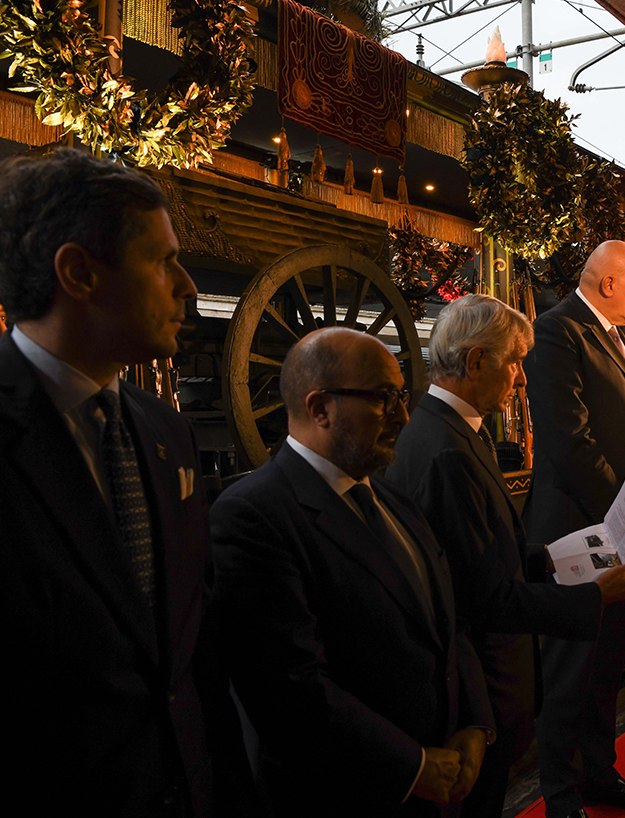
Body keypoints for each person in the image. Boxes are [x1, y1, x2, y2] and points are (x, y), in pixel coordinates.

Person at [0, 149, 252, 815]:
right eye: (164, 260)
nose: (189, 286)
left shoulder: (166, 433)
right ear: (79, 272)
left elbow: (191, 661)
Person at [211, 327, 496, 816]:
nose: (403, 417)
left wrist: (474, 722)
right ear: (320, 407)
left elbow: (448, 622)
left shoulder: (389, 497)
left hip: (441, 775)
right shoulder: (255, 514)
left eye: (402, 396)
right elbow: (290, 687)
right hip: (351, 793)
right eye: (383, 399)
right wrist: (411, 767)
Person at [386, 295, 625, 818]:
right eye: (513, 362)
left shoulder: (451, 429)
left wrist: (545, 558)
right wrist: (593, 597)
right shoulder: (445, 450)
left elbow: (473, 554)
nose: (522, 379)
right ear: (477, 361)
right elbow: (482, 598)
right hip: (478, 683)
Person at [523, 240, 625, 818]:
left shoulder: (623, 338)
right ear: (607, 283)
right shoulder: (558, 332)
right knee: (570, 669)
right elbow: (568, 440)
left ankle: (600, 773)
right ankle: (559, 795)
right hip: (579, 527)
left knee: (607, 661)